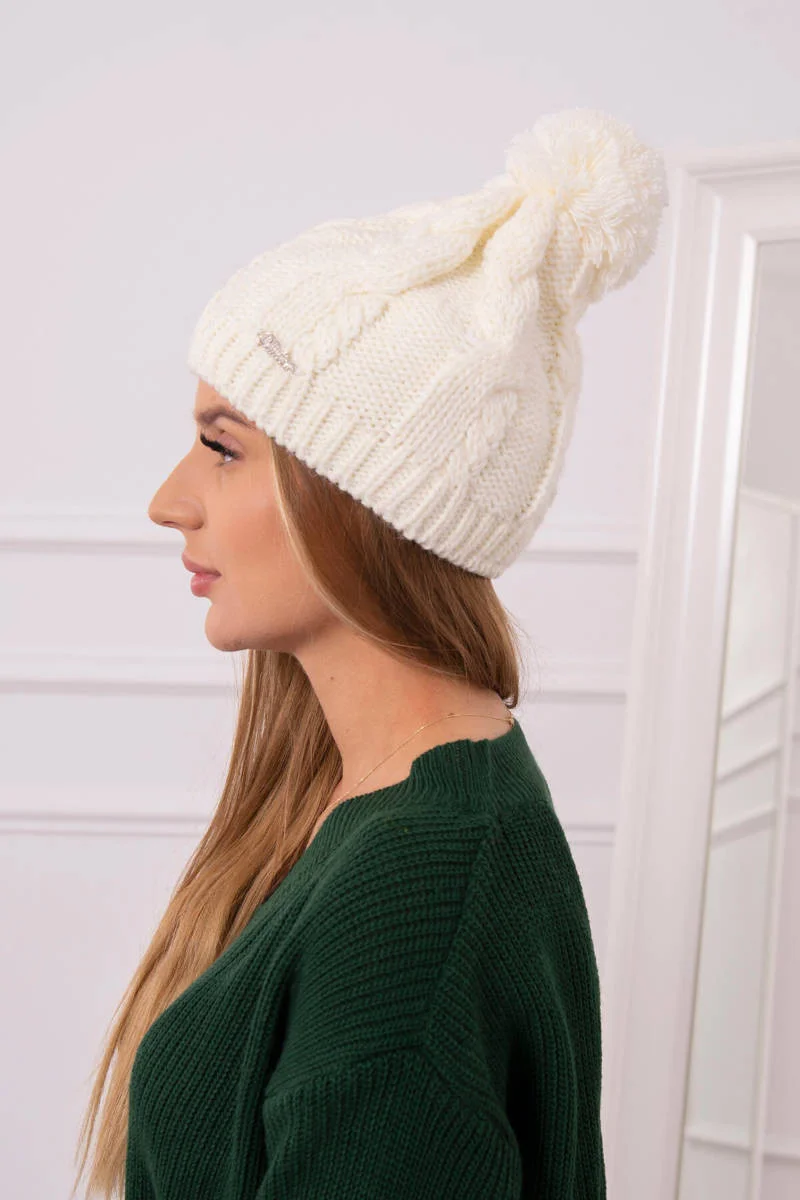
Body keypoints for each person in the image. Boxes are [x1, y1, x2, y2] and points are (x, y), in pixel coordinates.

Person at [73, 107, 667, 1200]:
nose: (169, 500)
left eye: (221, 448)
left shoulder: (415, 901)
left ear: (358, 500)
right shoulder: (391, 799)